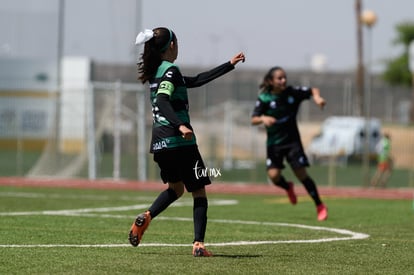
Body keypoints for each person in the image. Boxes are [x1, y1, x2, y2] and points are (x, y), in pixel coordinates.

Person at [129, 27, 246, 256]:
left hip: (160, 143)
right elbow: (163, 101)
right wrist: (180, 125)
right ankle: (198, 245)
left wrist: (229, 64)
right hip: (179, 142)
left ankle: (148, 216)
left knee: (175, 188)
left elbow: (198, 80)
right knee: (199, 191)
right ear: (171, 45)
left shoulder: (158, 72)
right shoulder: (171, 70)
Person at [251, 66, 328, 221]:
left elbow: (313, 90)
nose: (283, 80)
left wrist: (317, 98)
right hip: (274, 144)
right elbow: (253, 119)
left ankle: (319, 205)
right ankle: (288, 187)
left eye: (284, 77)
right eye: (279, 78)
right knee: (273, 176)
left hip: (292, 142)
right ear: (271, 81)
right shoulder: (265, 98)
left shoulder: (292, 93)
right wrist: (263, 119)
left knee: (301, 174)